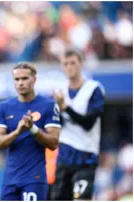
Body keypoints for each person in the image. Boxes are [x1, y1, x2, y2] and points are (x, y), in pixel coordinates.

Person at [0, 62, 61, 201]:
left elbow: (53, 143)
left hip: (34, 178)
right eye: (17, 79)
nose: (20, 83)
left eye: (25, 78)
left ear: (34, 79)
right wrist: (18, 131)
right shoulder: (4, 107)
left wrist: (33, 128)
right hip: (10, 179)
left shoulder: (48, 105)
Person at [51, 50, 105, 200]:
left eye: (73, 63)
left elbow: (88, 123)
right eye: (65, 64)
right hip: (64, 155)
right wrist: (56, 109)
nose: (69, 67)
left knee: (81, 198)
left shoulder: (94, 89)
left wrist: (66, 107)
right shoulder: (59, 90)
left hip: (86, 155)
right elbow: (56, 124)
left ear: (81, 64)